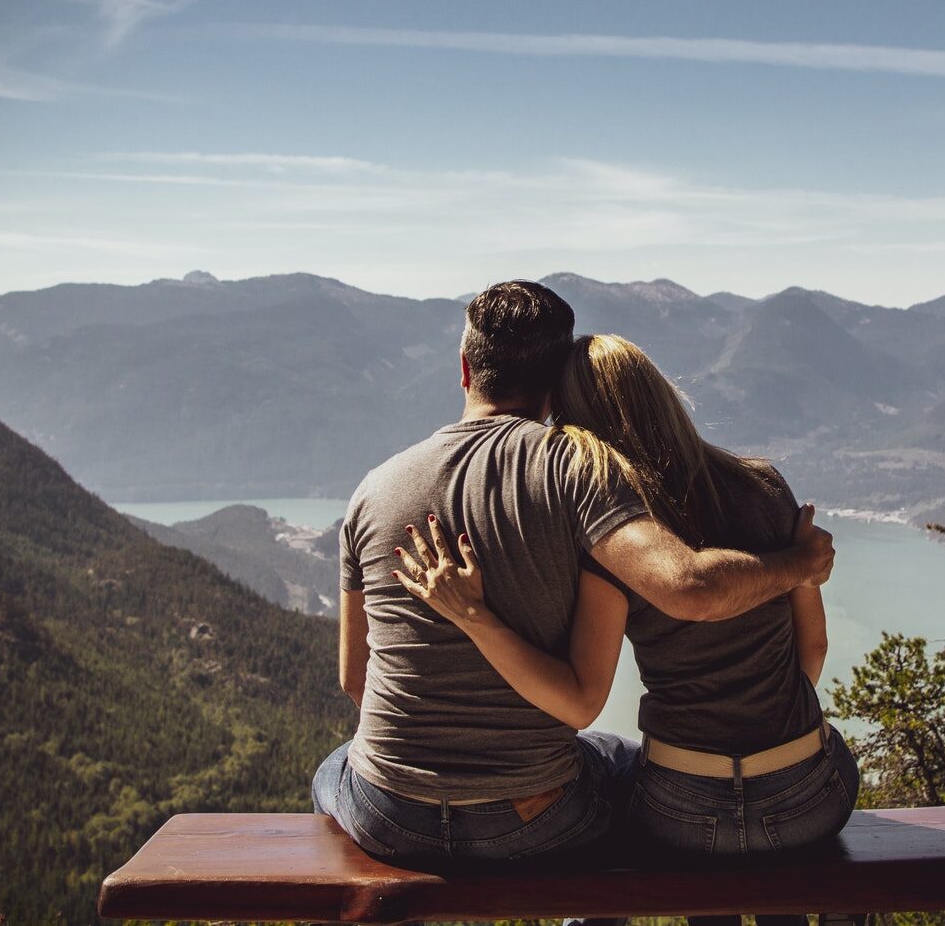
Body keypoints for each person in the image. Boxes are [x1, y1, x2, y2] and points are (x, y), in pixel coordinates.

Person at [313, 283, 836, 865]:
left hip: (390, 814)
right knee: (613, 758)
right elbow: (686, 591)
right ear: (557, 379)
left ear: (465, 368)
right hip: (534, 817)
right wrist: (799, 565)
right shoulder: (578, 472)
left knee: (333, 769)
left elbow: (355, 681)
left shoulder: (371, 490)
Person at [397, 333, 859, 923]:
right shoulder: (765, 486)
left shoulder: (619, 539)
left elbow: (584, 689)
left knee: (616, 782)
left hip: (683, 803)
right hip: (806, 795)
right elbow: (811, 652)